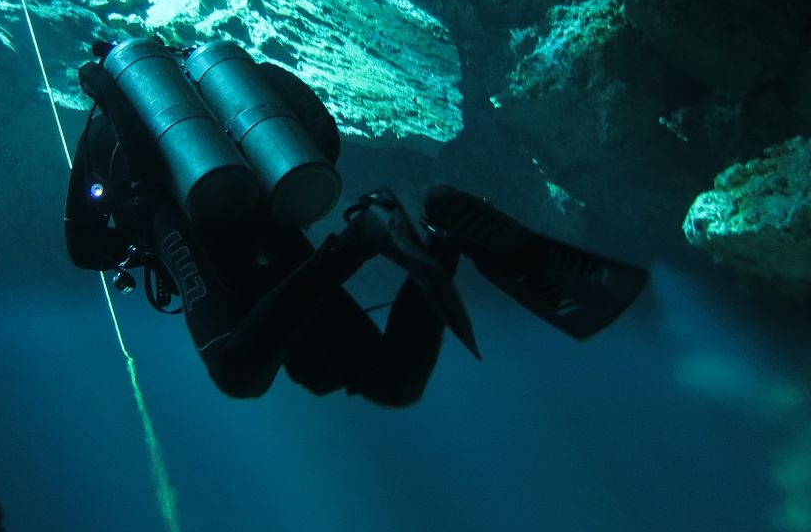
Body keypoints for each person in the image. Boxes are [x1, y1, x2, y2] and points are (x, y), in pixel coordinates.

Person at [64, 37, 647, 406]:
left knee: (238, 370)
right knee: (387, 381)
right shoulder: (200, 88)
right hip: (272, 220)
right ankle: (440, 238)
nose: (330, 382)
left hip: (193, 221)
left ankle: (363, 240)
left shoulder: (114, 127)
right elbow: (300, 111)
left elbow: (84, 247)